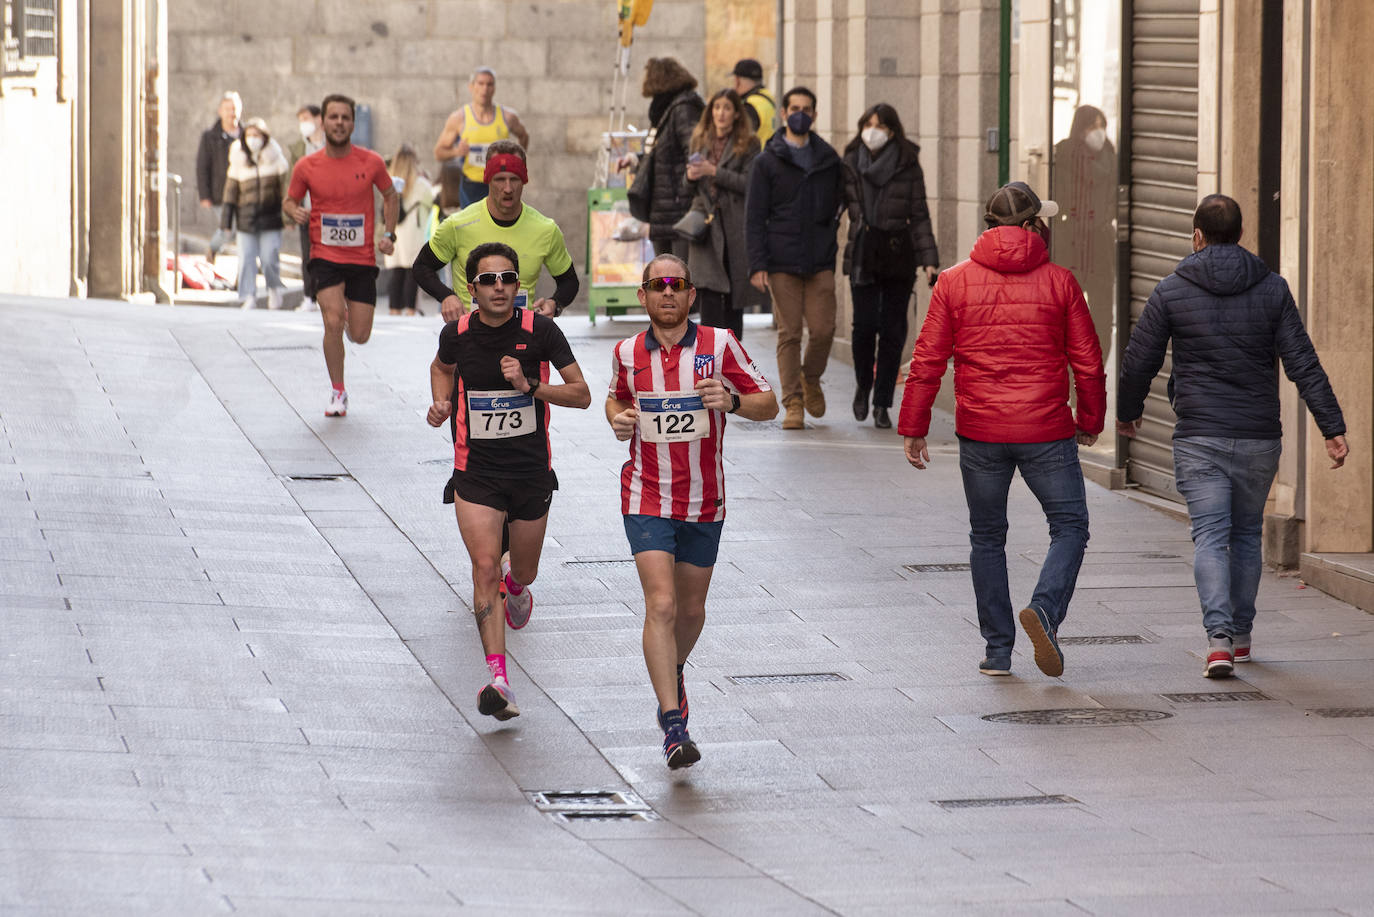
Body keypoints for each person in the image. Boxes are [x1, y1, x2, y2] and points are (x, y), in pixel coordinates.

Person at [1116, 194, 1349, 679]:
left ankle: (1218, 640)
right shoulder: (1272, 288)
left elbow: (1140, 361)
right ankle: (1240, 635)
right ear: (1241, 235)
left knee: (1209, 537)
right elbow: (1302, 362)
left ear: (1196, 236)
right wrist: (1332, 426)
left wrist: (1128, 414)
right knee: (1246, 535)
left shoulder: (1171, 289)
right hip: (1258, 435)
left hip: (1200, 434)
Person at [898, 181, 1106, 679]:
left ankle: (997, 650)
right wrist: (1091, 420)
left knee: (987, 537)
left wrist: (914, 424)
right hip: (1046, 430)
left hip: (982, 431)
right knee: (1071, 526)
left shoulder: (953, 281)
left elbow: (928, 359)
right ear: (1034, 224)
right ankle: (1045, 610)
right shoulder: (1061, 281)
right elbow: (1088, 362)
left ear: (989, 227)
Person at [606, 254, 778, 769]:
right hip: (645, 496)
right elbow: (615, 400)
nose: (666, 293)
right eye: (657, 285)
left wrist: (732, 400)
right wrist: (619, 420)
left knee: (690, 610)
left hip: (705, 499)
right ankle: (672, 723)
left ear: (690, 295)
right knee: (660, 605)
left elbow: (770, 403)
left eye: (676, 285)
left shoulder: (719, 344)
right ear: (642, 296)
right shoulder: (626, 351)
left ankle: (672, 666)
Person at [427, 242, 591, 720]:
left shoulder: (540, 330)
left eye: (507, 278)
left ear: (518, 286)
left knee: (521, 570)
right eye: (488, 280)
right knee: (484, 568)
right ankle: (498, 679)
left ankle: (519, 589)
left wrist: (530, 386)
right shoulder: (456, 333)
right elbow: (441, 368)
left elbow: (581, 395)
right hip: (475, 472)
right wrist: (440, 402)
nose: (499, 287)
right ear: (472, 289)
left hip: (529, 474)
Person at [284, 94, 399, 417]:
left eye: (345, 118)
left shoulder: (371, 162)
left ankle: (348, 315)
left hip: (361, 259)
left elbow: (390, 195)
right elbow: (289, 200)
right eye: (333, 117)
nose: (339, 123)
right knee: (332, 320)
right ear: (323, 122)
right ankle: (338, 392)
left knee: (360, 336)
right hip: (325, 255)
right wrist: (295, 211)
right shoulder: (307, 165)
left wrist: (389, 234)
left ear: (352, 122)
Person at [744, 86, 843, 430]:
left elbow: (842, 202)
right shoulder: (766, 161)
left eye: (807, 108)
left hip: (819, 259)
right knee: (789, 333)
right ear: (784, 113)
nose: (801, 113)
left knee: (823, 328)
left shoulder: (829, 159)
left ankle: (810, 378)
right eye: (795, 107)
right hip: (781, 260)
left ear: (814, 115)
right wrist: (757, 264)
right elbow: (754, 216)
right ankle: (793, 402)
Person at [840, 103, 939, 429]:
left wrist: (929, 260)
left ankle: (882, 402)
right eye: (868, 123)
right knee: (864, 327)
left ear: (892, 131)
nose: (873, 130)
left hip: (898, 251)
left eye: (880, 125)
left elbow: (919, 213)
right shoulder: (851, 159)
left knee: (893, 330)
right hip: (864, 251)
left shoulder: (907, 163)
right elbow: (833, 207)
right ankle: (862, 386)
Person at [413, 140, 578, 322]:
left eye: (514, 179)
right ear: (488, 180)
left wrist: (555, 304)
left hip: (521, 338)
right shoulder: (458, 225)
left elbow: (569, 281)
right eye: (500, 179)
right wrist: (446, 296)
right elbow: (422, 266)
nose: (507, 188)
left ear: (524, 181)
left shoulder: (545, 229)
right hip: (470, 338)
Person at [684, 88, 762, 340]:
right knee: (708, 298)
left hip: (734, 227)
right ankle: (709, 364)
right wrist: (689, 176)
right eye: (717, 107)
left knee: (733, 300)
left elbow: (751, 184)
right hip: (706, 228)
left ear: (737, 114)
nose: (721, 113)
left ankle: (731, 361)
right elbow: (687, 188)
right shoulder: (699, 140)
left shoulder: (750, 144)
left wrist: (713, 171)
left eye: (727, 108)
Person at [1051, 105, 1118, 360]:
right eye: (1092, 126)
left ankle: (1095, 365)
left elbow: (1117, 196)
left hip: (1100, 244)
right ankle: (1069, 370)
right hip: (1073, 244)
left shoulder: (1111, 157)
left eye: (1102, 126)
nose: (1098, 132)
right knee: (1070, 311)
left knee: (1102, 313)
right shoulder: (1065, 155)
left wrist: (1106, 218)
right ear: (1080, 129)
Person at [633, 57, 704, 259]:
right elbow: (662, 152)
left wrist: (683, 191)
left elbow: (693, 151)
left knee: (678, 275)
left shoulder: (683, 108)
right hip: (664, 207)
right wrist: (636, 160)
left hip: (678, 206)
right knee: (664, 275)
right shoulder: (665, 109)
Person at [433, 67, 530, 207]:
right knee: (473, 227)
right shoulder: (459, 118)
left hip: (500, 184)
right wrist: (456, 152)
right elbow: (438, 153)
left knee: (500, 227)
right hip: (471, 186)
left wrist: (518, 162)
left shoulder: (508, 117)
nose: (485, 89)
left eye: (489, 84)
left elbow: (524, 136)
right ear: (471, 87)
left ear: (494, 88)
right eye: (481, 83)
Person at [221, 117, 290, 310]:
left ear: (264, 137)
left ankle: (274, 289)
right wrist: (226, 222)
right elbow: (230, 193)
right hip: (246, 219)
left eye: (256, 135)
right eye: (249, 135)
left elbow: (286, 191)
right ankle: (249, 295)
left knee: (269, 258)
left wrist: (289, 217)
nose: (253, 139)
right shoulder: (237, 161)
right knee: (246, 259)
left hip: (271, 218)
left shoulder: (277, 160)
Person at [382, 144, 435, 316]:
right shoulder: (421, 184)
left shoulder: (390, 182)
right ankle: (411, 311)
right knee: (412, 274)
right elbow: (433, 200)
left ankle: (394, 310)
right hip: (414, 234)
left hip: (394, 233)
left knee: (396, 274)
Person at [195, 90, 242, 260]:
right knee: (229, 229)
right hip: (220, 193)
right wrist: (204, 195)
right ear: (220, 111)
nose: (232, 112)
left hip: (243, 194)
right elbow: (202, 166)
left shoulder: (247, 135)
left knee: (239, 230)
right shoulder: (210, 137)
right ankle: (212, 249)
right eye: (228, 108)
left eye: (235, 108)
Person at [287, 104, 325, 312]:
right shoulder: (299, 150)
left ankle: (325, 297)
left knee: (328, 257)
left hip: (329, 212)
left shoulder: (333, 145)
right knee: (307, 256)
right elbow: (290, 183)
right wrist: (291, 213)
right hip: (306, 211)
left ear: (319, 119)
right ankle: (309, 298)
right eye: (300, 119)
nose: (303, 123)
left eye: (306, 118)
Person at [730, 58, 777, 147]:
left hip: (757, 158)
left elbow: (739, 139)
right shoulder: (769, 98)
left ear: (737, 81)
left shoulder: (749, 106)